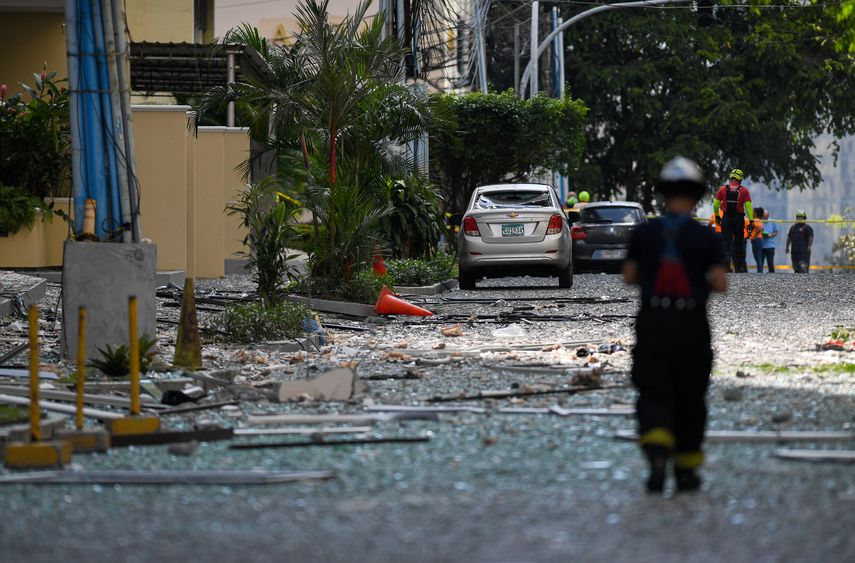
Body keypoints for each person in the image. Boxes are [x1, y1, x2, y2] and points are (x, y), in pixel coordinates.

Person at [623, 157, 727, 493]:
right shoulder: (705, 237)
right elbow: (721, 283)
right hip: (692, 324)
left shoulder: (645, 232)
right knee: (690, 394)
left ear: (663, 195)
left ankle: (656, 448)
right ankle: (685, 469)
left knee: (653, 388)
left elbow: (629, 277)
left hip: (653, 321)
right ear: (697, 196)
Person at [713, 169, 754, 272]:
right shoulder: (744, 190)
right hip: (739, 218)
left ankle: (726, 264)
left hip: (726, 218)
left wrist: (717, 216)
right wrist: (751, 220)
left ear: (731, 177)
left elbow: (715, 204)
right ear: (740, 178)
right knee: (738, 242)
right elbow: (748, 207)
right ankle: (738, 268)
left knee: (726, 242)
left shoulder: (722, 189)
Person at [748, 207, 765, 272]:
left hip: (757, 240)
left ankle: (760, 272)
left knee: (757, 257)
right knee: (758, 257)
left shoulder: (755, 220)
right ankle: (760, 271)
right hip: (759, 240)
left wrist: (754, 237)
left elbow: (760, 229)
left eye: (753, 212)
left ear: (755, 213)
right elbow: (762, 229)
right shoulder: (759, 220)